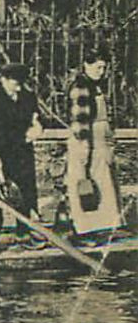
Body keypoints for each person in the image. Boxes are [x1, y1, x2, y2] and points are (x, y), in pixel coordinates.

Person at [0, 62, 43, 253]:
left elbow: (36, 118)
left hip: (21, 153)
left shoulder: (27, 96)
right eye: (14, 81)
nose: (18, 86)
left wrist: (38, 127)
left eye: (21, 81)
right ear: (2, 79)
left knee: (24, 195)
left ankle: (23, 235)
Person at [66, 49, 122, 233]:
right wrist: (84, 147)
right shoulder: (81, 86)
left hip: (100, 142)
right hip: (87, 140)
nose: (102, 71)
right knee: (85, 182)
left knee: (103, 182)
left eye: (104, 68)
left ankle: (102, 226)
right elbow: (80, 119)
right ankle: (85, 228)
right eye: (98, 67)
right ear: (86, 65)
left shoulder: (97, 86)